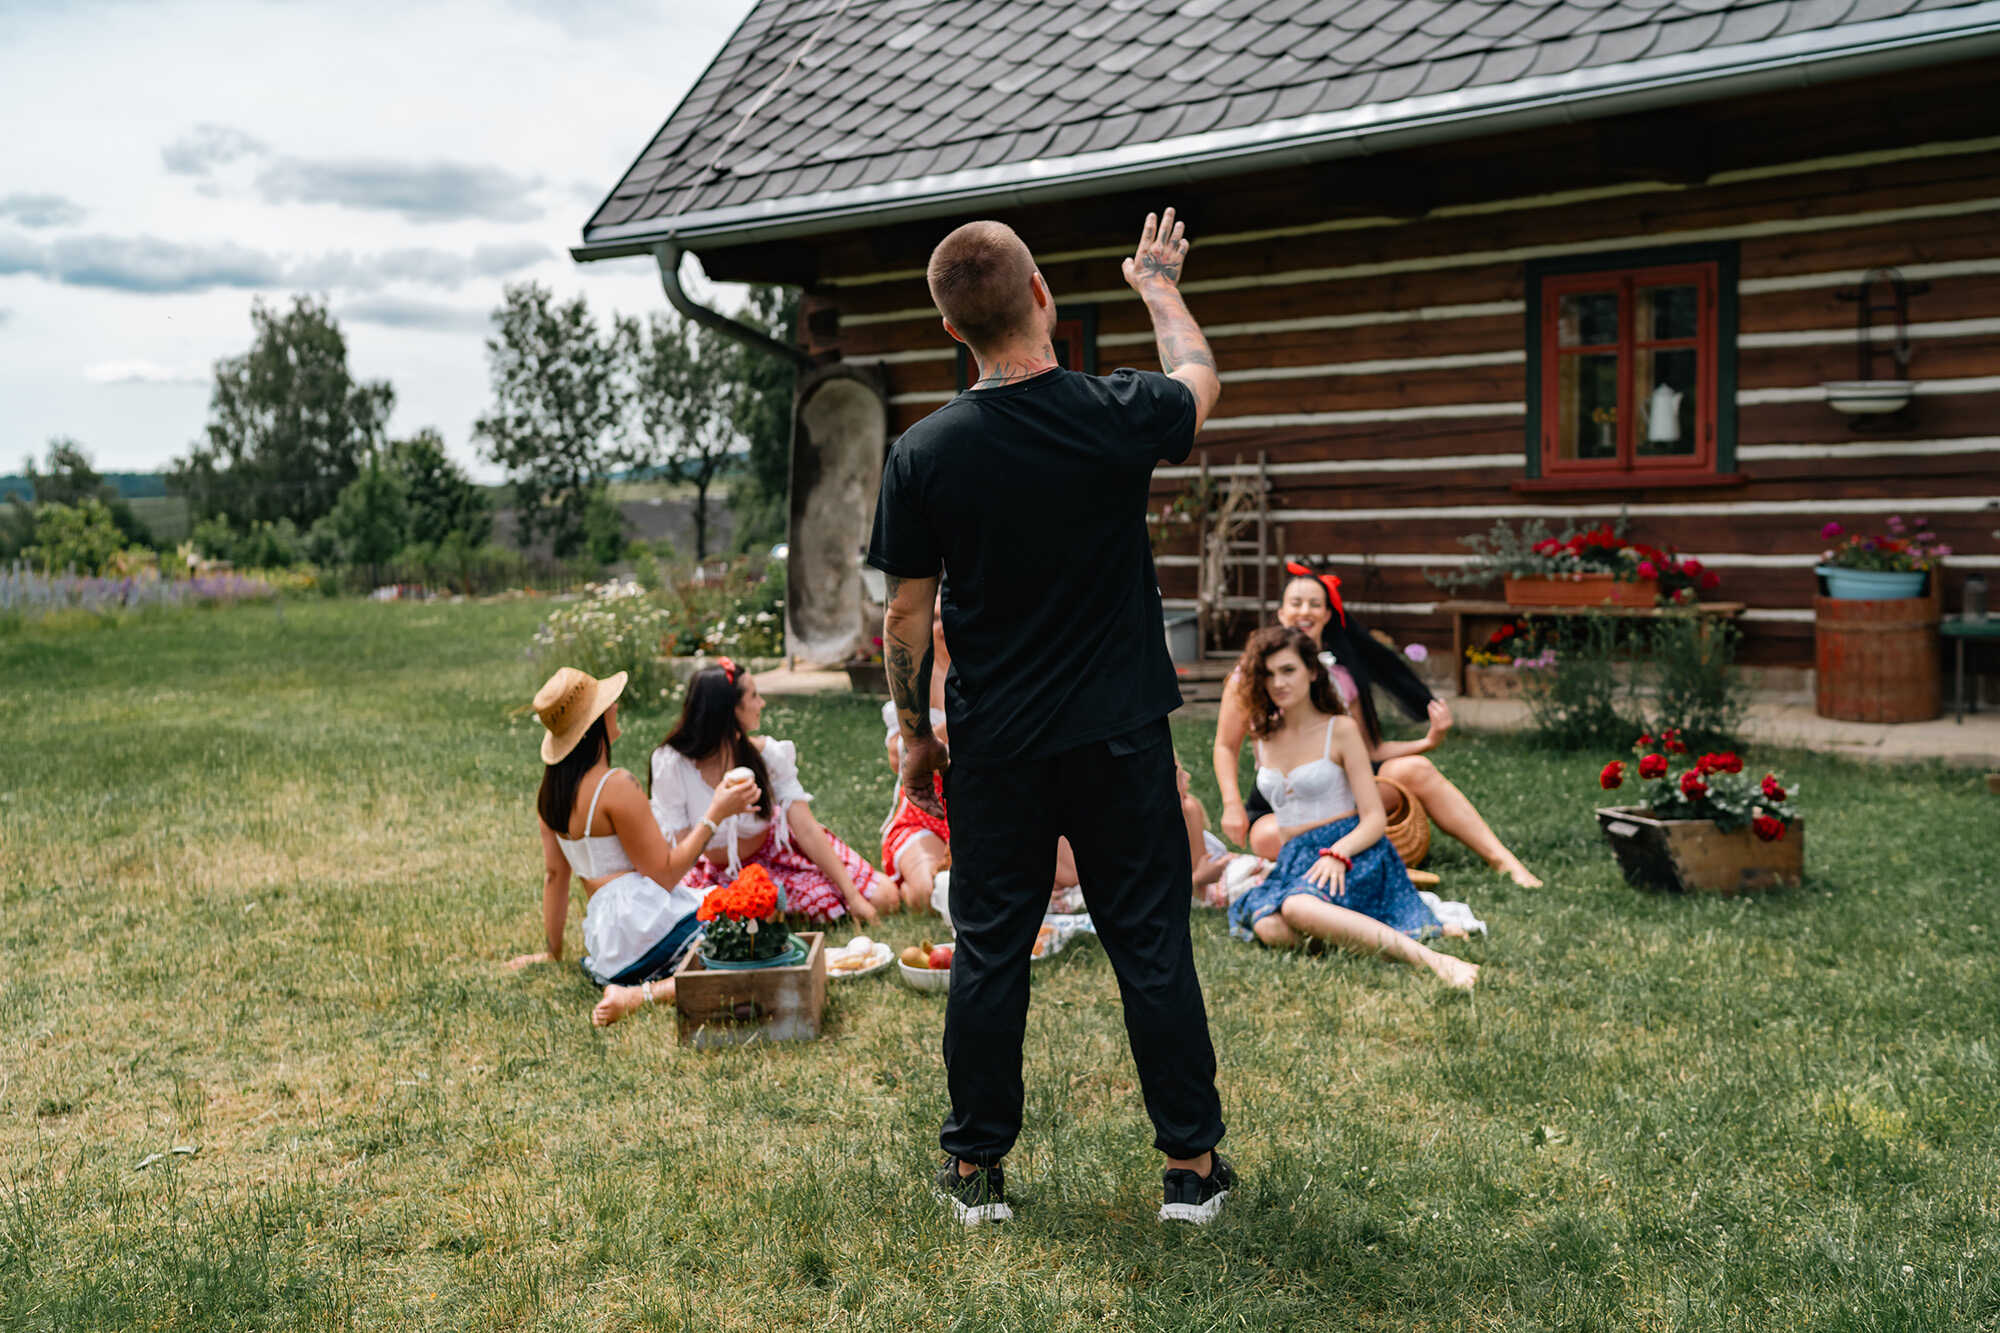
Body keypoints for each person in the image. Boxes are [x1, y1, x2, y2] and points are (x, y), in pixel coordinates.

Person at [870, 208, 1234, 1227]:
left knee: (990, 949)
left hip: (994, 745)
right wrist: (1157, 284)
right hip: (1118, 731)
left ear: (951, 331)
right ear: (1041, 296)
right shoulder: (1110, 412)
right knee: (1150, 944)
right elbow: (1198, 384)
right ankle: (1190, 1172)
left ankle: (976, 1175)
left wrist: (915, 741)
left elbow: (905, 613)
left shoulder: (923, 452)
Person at [1213, 565, 1542, 888]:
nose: (1304, 611)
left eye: (1315, 604)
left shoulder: (1340, 675)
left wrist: (1427, 741)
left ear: (1328, 615)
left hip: (1340, 790)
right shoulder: (1249, 678)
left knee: (1416, 768)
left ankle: (1502, 859)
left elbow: (1369, 750)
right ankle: (1374, 864)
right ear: (1281, 613)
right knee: (1268, 838)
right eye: (1295, 603)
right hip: (1283, 798)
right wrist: (1231, 805)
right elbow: (1226, 745)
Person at [1225, 628, 1480, 990]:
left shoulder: (1339, 730)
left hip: (1354, 851)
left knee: (1296, 909)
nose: (1277, 682)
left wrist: (1338, 853)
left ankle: (1434, 960)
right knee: (1269, 927)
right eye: (1268, 674)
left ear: (1312, 672)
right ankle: (1373, 931)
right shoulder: (1263, 736)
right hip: (1296, 857)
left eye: (1288, 670)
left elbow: (1374, 818)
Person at [508, 666, 759, 1026]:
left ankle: (635, 985)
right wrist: (716, 813)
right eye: (608, 704)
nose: (615, 707)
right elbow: (667, 875)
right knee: (750, 941)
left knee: (738, 924)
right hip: (643, 922)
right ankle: (642, 994)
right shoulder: (616, 785)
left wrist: (552, 951)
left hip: (608, 941)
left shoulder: (550, 796)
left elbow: (554, 876)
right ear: (596, 722)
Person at [652, 658, 909, 923]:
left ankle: (778, 909)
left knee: (884, 898)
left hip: (777, 854)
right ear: (730, 711)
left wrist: (854, 897)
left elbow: (807, 828)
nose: (761, 703)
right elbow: (683, 853)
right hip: (712, 870)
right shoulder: (672, 764)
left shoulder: (766, 755)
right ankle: (767, 912)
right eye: (754, 696)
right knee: (725, 917)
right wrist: (718, 812)